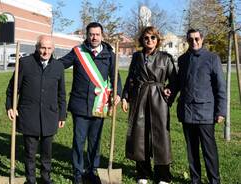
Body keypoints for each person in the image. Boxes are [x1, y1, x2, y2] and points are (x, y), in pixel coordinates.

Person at [58, 22, 122, 184]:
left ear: (102, 36)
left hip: (99, 105)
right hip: (79, 105)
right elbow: (60, 65)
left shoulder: (110, 55)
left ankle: (92, 170)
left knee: (95, 141)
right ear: (86, 35)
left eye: (97, 34)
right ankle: (78, 172)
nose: (94, 37)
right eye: (91, 34)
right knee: (78, 140)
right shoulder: (77, 52)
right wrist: (40, 61)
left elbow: (116, 78)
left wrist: (118, 93)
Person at [6, 35, 66, 184]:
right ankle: (30, 179)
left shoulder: (58, 67)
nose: (46, 51)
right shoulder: (25, 63)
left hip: (50, 115)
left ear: (53, 49)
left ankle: (46, 178)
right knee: (30, 152)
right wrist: (10, 106)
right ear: (37, 47)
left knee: (47, 152)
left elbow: (62, 94)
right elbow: (12, 89)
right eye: (43, 47)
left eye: (49, 48)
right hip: (29, 115)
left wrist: (62, 115)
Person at [121, 26, 177, 184]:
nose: (149, 41)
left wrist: (169, 91)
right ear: (142, 40)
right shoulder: (137, 57)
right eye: (146, 38)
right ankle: (143, 173)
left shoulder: (165, 58)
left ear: (157, 40)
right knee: (140, 134)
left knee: (161, 136)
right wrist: (125, 96)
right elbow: (131, 78)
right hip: (140, 97)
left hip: (159, 99)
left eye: (153, 38)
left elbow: (174, 80)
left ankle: (163, 175)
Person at [176, 28, 227, 184]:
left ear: (202, 39)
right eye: (190, 39)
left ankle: (214, 180)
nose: (194, 41)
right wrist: (169, 90)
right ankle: (195, 180)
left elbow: (220, 87)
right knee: (192, 151)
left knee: (209, 150)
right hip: (187, 111)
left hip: (206, 113)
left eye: (196, 38)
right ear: (187, 40)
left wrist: (221, 111)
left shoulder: (212, 58)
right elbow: (179, 82)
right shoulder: (182, 59)